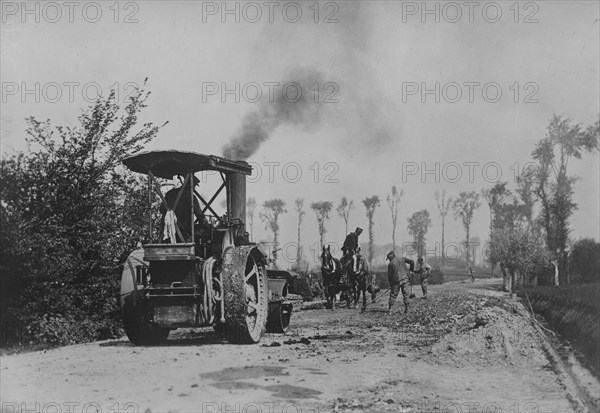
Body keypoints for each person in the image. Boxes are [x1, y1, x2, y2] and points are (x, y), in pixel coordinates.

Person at [159, 175, 207, 243]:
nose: (194, 189)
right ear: (191, 185)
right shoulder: (191, 197)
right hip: (183, 231)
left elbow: (161, 209)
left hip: (167, 231)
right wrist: (206, 224)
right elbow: (200, 215)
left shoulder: (170, 193)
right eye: (194, 186)